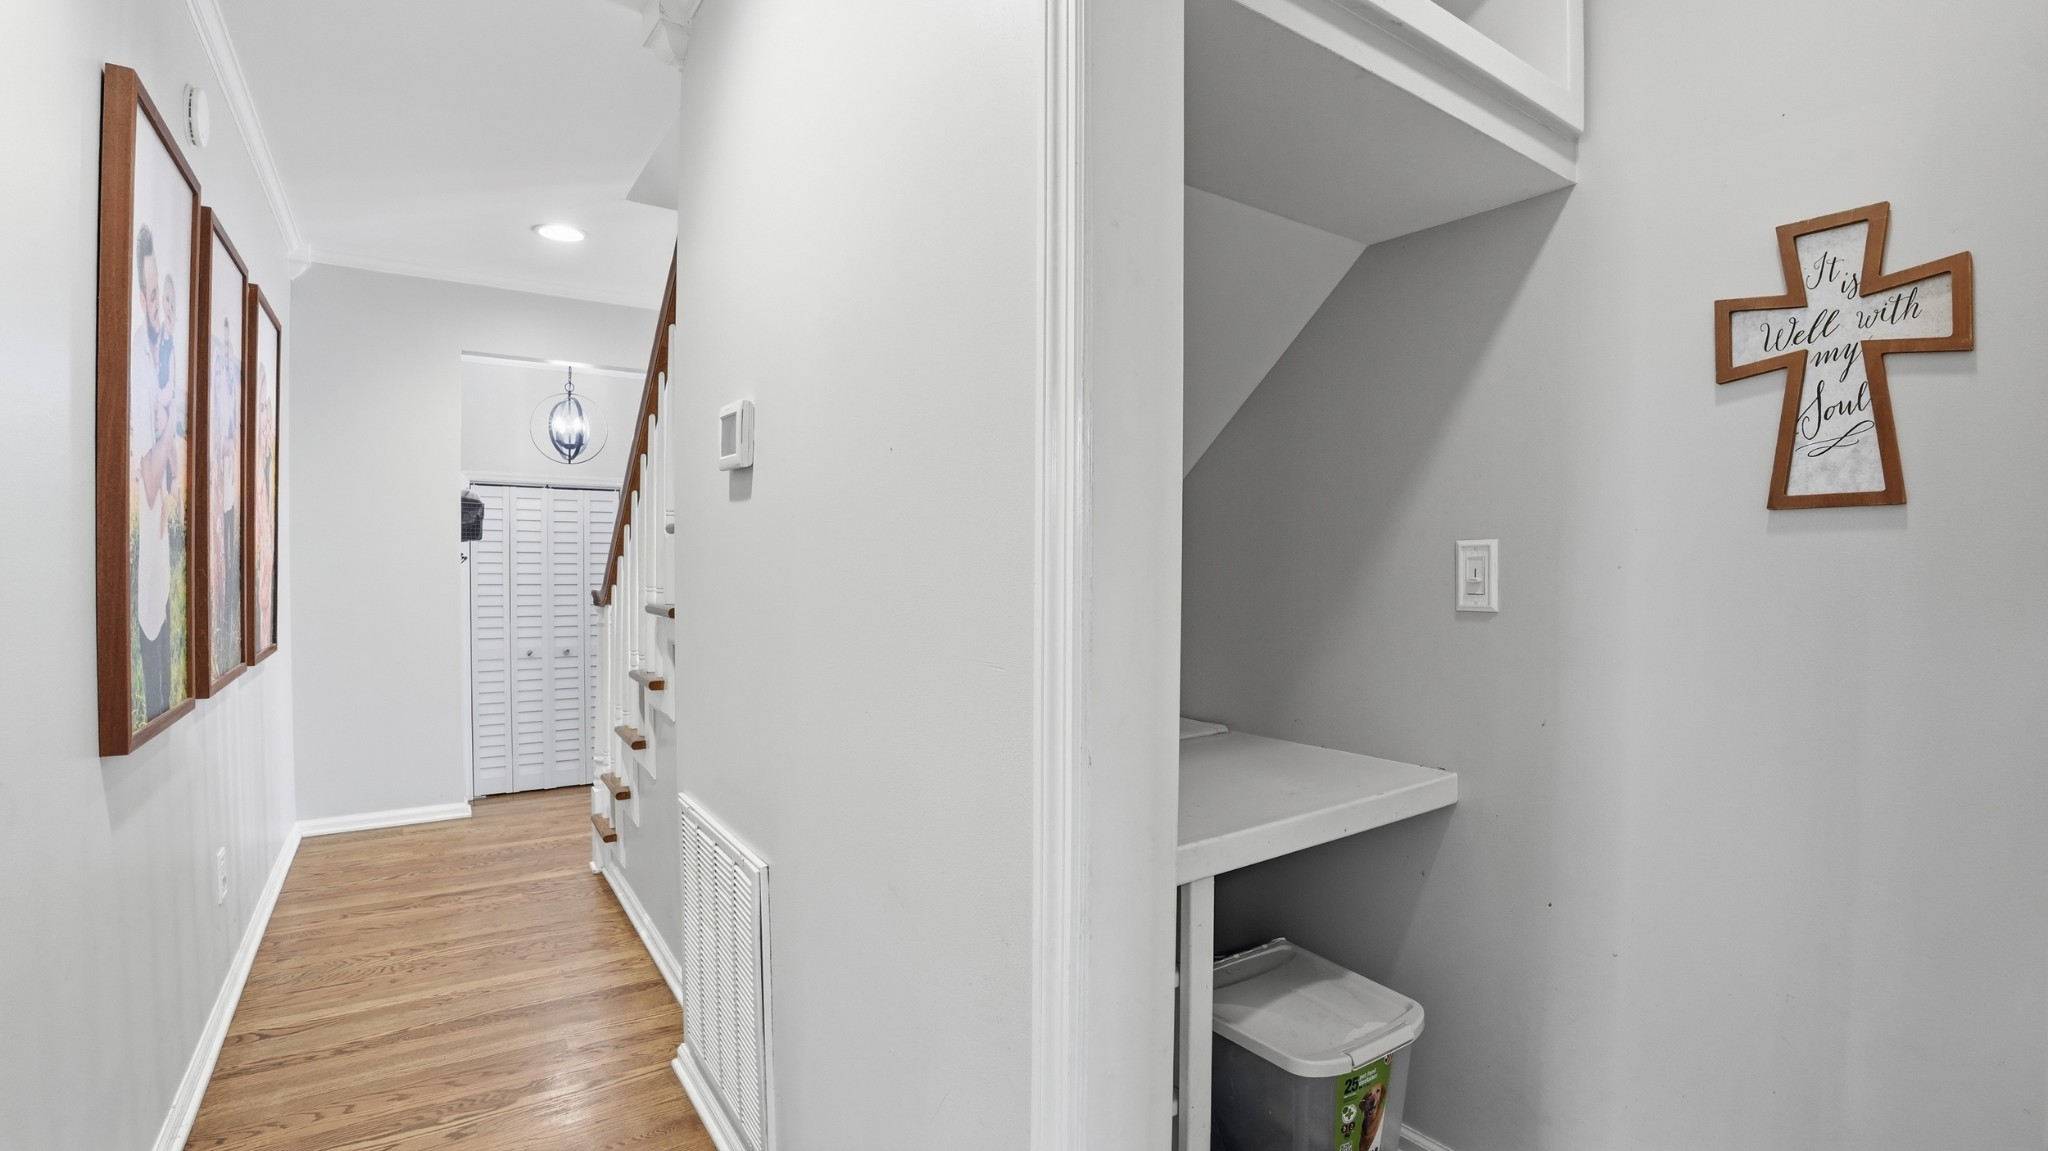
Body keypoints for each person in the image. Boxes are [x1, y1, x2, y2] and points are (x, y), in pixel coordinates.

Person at [129, 225, 181, 721]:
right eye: (148, 295)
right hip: (150, 554)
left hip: (162, 555)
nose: (154, 306)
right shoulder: (141, 369)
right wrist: (167, 418)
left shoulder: (162, 357)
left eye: (158, 294)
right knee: (153, 631)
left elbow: (173, 472)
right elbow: (149, 479)